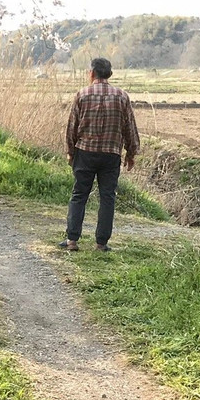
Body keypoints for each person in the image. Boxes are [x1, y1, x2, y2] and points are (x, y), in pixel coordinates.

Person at [59, 57, 139, 253]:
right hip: (111, 154)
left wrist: (70, 151)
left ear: (91, 73)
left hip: (85, 152)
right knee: (107, 197)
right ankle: (101, 243)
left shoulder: (82, 95)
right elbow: (130, 127)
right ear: (109, 74)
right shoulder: (122, 96)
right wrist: (131, 152)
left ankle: (72, 240)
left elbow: (72, 127)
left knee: (79, 194)